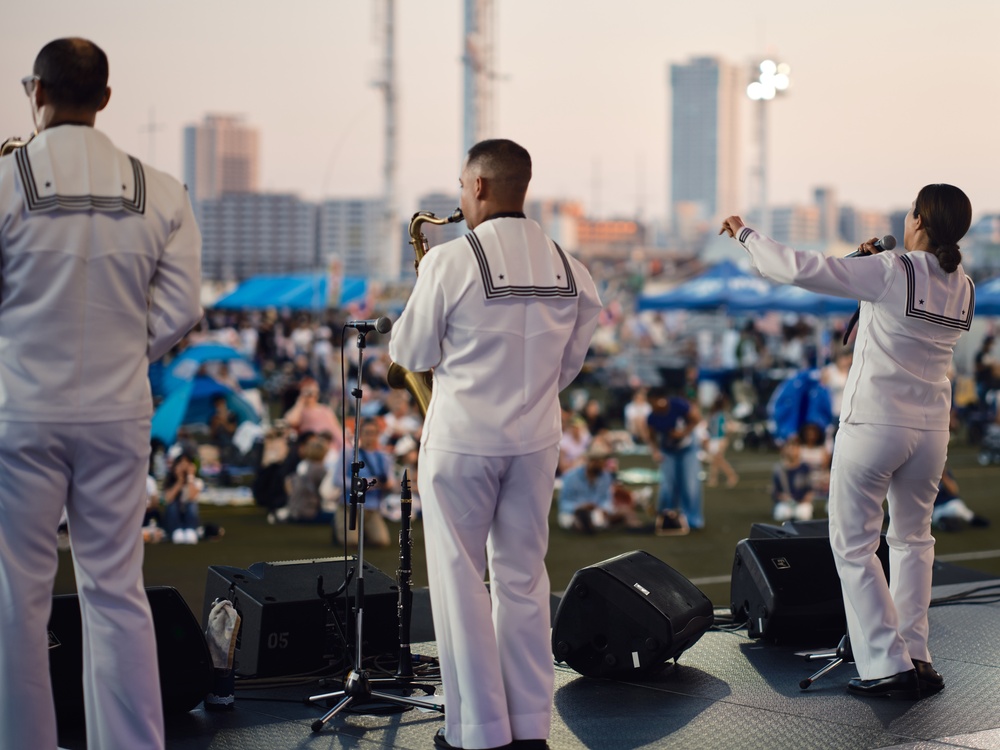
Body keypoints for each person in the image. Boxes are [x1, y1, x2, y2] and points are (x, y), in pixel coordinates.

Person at [0, 38, 202, 750]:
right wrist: (122, 352)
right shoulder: (163, 188)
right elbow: (180, 310)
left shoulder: (4, 180)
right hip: (118, 411)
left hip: (20, 410)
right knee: (116, 591)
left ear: (36, 92)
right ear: (106, 99)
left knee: (16, 597)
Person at [721, 183, 974, 700]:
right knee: (912, 541)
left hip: (876, 425)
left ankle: (885, 662)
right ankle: (916, 655)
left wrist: (747, 234)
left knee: (855, 544)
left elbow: (801, 269)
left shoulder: (892, 269)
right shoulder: (965, 286)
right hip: (930, 432)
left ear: (919, 221)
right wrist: (863, 267)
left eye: (910, 213)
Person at [389, 138, 601, 750]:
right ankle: (531, 725)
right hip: (536, 440)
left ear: (479, 186)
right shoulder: (570, 265)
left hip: (462, 440)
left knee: (459, 580)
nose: (459, 197)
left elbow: (410, 353)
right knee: (524, 579)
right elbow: (570, 364)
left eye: (461, 186)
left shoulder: (449, 262)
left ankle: (477, 731)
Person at [646, 392, 705, 530]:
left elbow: (696, 418)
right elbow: (651, 436)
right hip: (668, 450)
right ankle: (667, 518)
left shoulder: (678, 405)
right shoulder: (652, 417)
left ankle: (693, 520)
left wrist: (683, 432)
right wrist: (655, 452)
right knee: (667, 485)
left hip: (687, 449)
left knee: (690, 485)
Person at [161, 452, 203, 543]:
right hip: (174, 518)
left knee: (192, 504)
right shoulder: (170, 481)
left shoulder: (196, 482)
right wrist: (179, 481)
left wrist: (190, 477)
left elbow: (192, 496)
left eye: (187, 463)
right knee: (172, 505)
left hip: (189, 517)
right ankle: (176, 531)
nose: (184, 466)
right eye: (181, 463)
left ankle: (191, 530)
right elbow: (168, 499)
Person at [771, 437, 814, 522]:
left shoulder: (805, 467)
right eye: (789, 447)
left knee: (804, 514)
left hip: (801, 503)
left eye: (795, 447)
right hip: (785, 503)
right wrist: (783, 497)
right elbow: (775, 492)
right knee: (783, 514)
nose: (792, 450)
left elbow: (810, 489)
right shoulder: (779, 469)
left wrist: (805, 500)